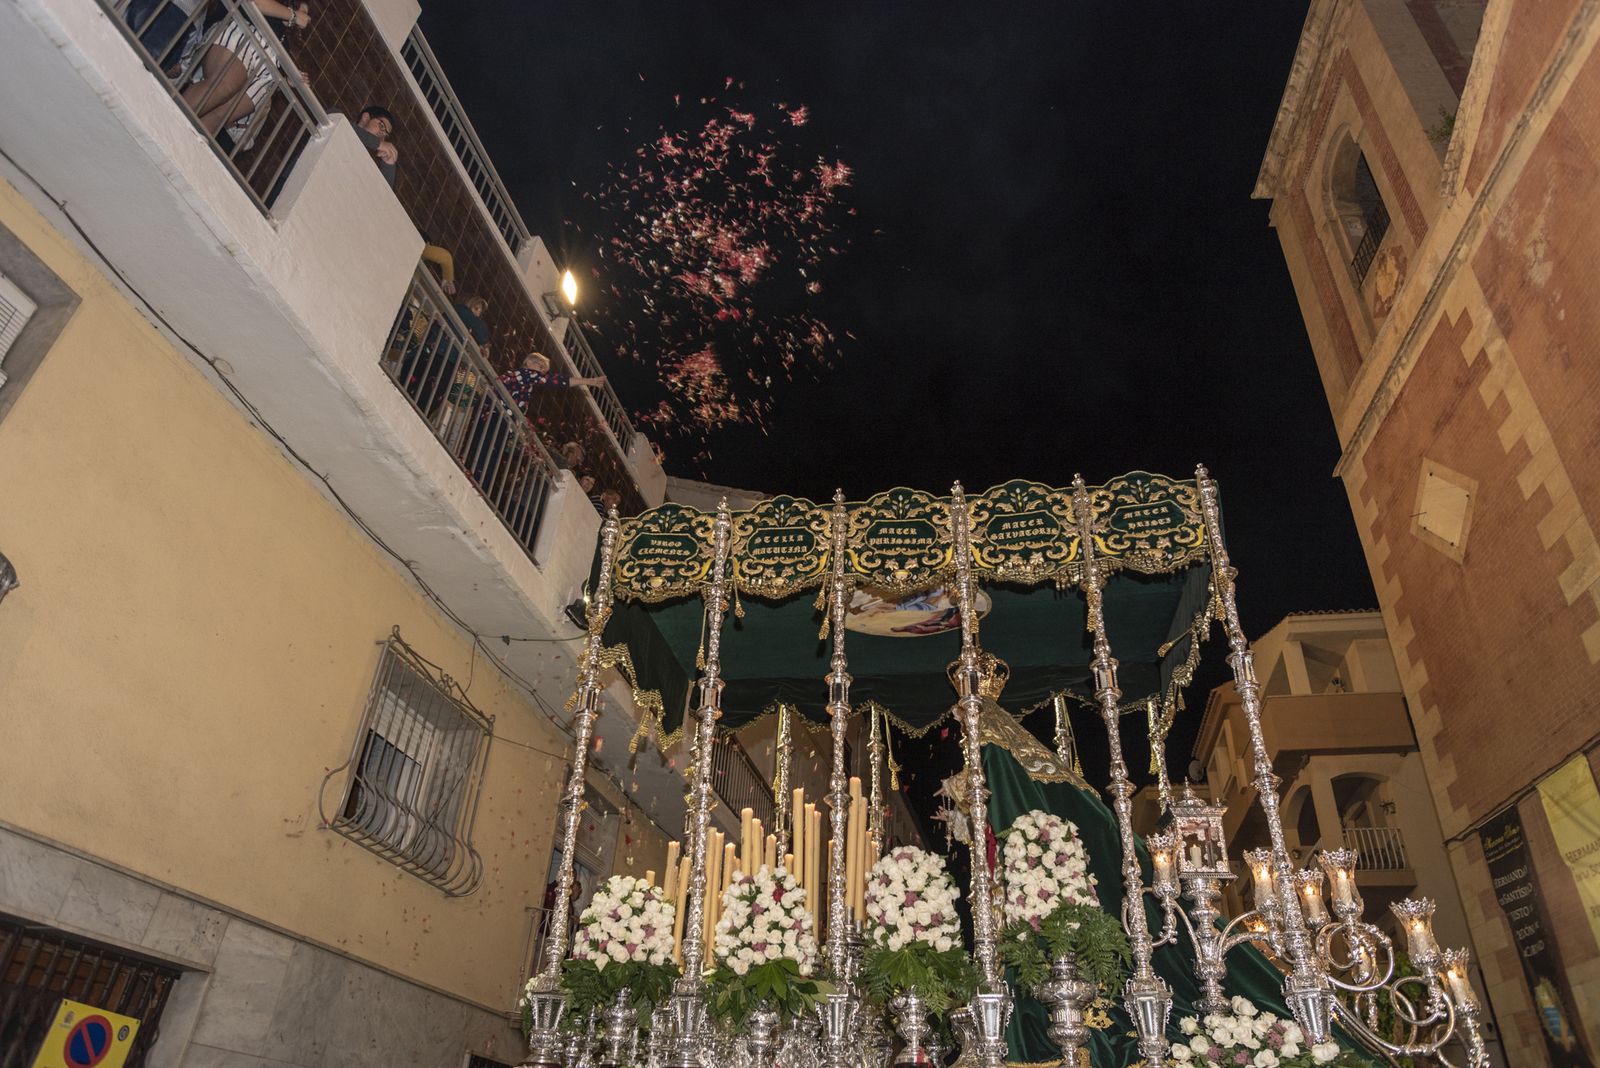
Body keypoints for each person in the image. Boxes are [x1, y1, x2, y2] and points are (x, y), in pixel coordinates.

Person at [180, 0, 309, 138]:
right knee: (223, 86)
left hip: (266, 59)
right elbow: (256, 2)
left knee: (222, 114)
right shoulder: (283, 16)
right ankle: (169, 117)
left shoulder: (283, 38)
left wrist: (288, 80)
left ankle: (182, 144)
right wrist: (294, 15)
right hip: (245, 30)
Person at [349, 105, 399, 186]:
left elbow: (382, 194)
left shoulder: (365, 166)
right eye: (381, 126)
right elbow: (345, 127)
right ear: (365, 118)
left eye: (385, 136)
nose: (382, 136)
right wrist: (378, 144)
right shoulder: (336, 115)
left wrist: (388, 166)